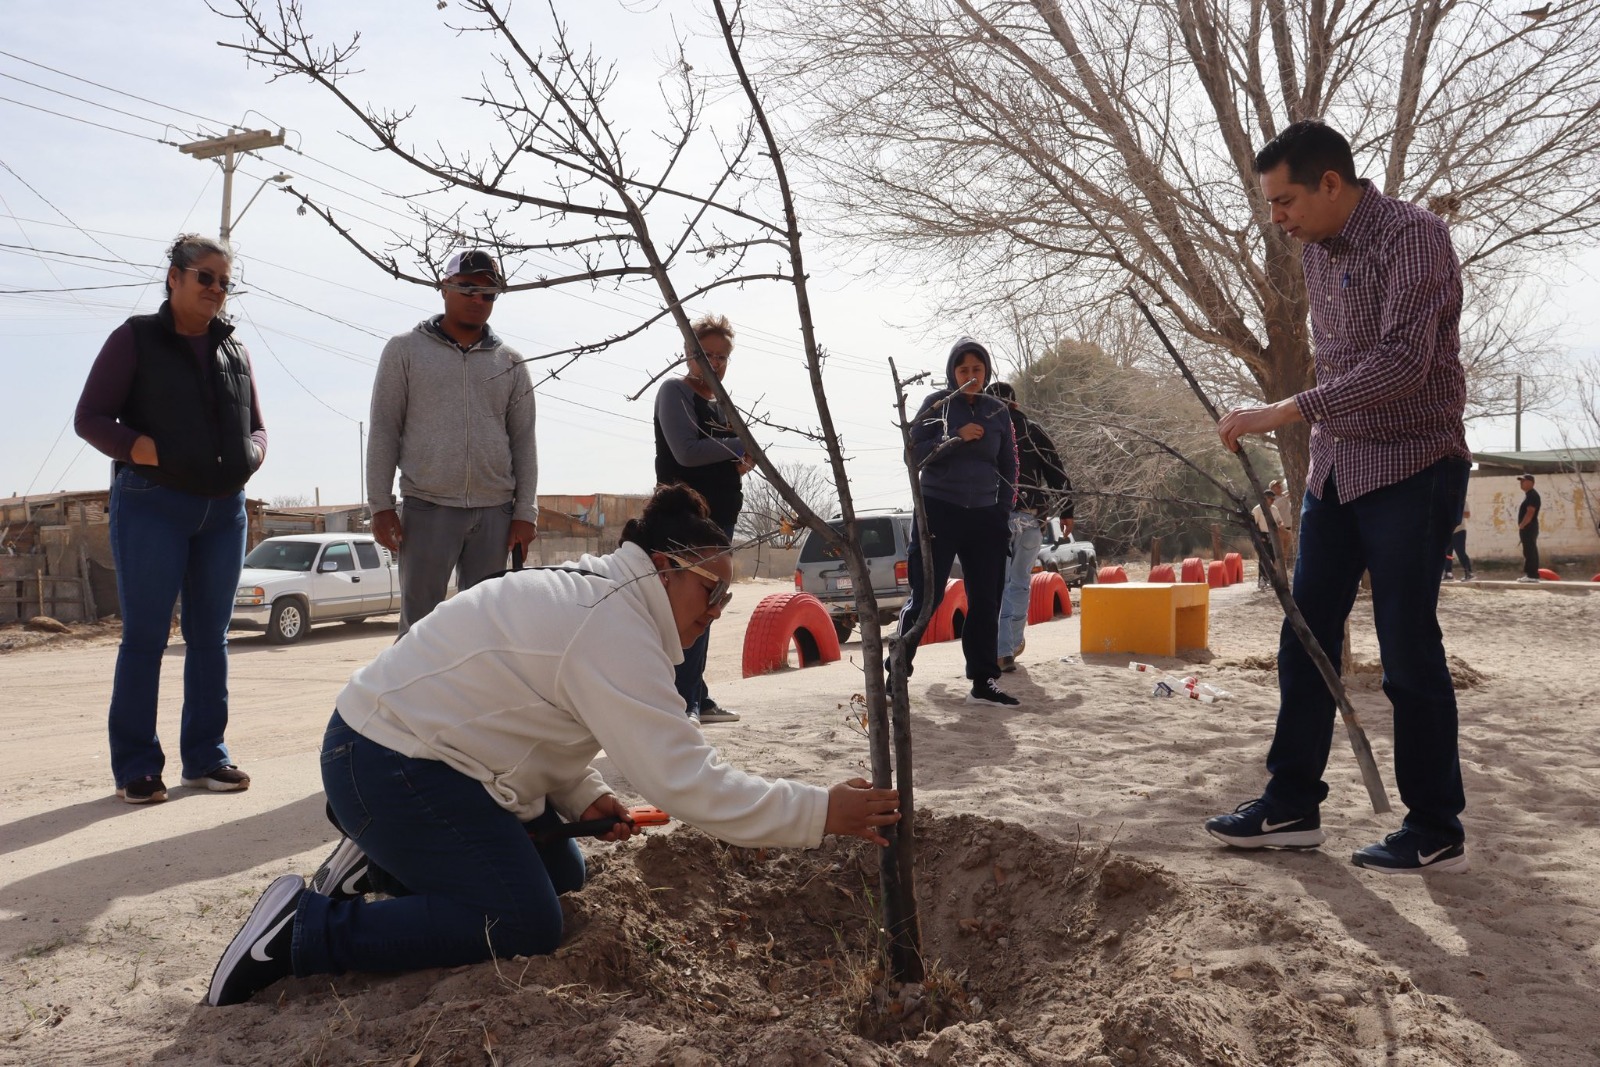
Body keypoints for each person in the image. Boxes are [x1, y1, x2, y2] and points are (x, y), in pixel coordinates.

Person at [204, 484, 900, 1007]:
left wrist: (581, 792)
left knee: (563, 873)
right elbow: (689, 781)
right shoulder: (615, 627)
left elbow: (532, 710)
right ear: (664, 566)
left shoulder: (612, 601)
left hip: (415, 756)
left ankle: (382, 860)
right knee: (521, 916)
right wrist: (820, 812)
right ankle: (304, 929)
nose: (716, 612)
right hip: (383, 759)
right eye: (712, 591)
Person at [1204, 121, 1472, 875]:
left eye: (1285, 199)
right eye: (1269, 204)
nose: (1276, 217)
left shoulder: (1415, 238)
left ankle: (1435, 825)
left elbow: (1402, 365)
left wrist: (1283, 411)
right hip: (1335, 472)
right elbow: (1341, 361)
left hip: (1413, 465)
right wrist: (1310, 435)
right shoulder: (1314, 254)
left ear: (1331, 182)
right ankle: (1291, 804)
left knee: (1406, 644)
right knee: (1306, 634)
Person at [73, 234, 267, 805]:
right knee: (146, 639)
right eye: (205, 277)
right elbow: (90, 418)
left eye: (225, 283)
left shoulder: (235, 350)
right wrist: (145, 451)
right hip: (152, 502)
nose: (216, 290)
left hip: (223, 511)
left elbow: (257, 424)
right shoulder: (134, 339)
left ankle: (206, 759)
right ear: (174, 278)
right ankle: (136, 766)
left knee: (210, 639)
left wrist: (253, 454)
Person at [366, 250, 538, 636]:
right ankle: (409, 698)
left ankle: (473, 699)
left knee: (484, 626)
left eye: (489, 293)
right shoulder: (404, 350)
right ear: (444, 287)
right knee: (419, 629)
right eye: (468, 288)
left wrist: (525, 512)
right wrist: (380, 505)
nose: (479, 299)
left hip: (496, 512)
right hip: (427, 508)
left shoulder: (510, 362)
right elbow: (383, 430)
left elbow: (524, 441)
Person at [891, 339, 1020, 706]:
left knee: (986, 600)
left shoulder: (998, 411)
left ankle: (983, 682)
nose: (970, 376)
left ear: (986, 372)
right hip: (938, 510)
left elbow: (1010, 464)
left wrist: (1003, 511)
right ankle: (896, 675)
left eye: (977, 369)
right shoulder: (937, 405)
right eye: (963, 370)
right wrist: (953, 438)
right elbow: (913, 455)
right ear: (952, 373)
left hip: (986, 516)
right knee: (926, 597)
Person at [653, 314, 753, 724]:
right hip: (686, 523)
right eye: (705, 355)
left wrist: (739, 459)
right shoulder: (674, 391)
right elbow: (687, 452)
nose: (715, 364)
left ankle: (699, 696)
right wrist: (739, 445)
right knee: (687, 609)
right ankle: (681, 703)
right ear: (688, 354)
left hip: (722, 519)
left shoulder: (721, 404)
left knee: (709, 608)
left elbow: (734, 455)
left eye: (722, 357)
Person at [987, 381, 1073, 672]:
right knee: (1020, 583)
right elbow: (1056, 470)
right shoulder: (1031, 429)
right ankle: (1009, 647)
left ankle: (999, 649)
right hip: (1028, 516)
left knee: (996, 585)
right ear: (1015, 404)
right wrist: (1068, 511)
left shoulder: (984, 430)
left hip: (995, 518)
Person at [1250, 488, 1292, 586]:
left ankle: (1275, 580)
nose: (1273, 501)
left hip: (1273, 535)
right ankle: (1263, 579)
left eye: (1273, 499)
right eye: (1271, 499)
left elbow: (1279, 520)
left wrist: (1281, 524)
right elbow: (1253, 524)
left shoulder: (1274, 509)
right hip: (1261, 535)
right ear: (1265, 498)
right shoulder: (1257, 509)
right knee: (1264, 557)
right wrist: (1259, 536)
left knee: (1275, 557)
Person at [1515, 474, 1541, 582]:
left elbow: (1530, 512)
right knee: (1528, 550)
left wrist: (1523, 524)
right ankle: (1530, 574)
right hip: (1528, 527)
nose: (1521, 483)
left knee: (1530, 550)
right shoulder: (1528, 495)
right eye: (1521, 481)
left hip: (1529, 527)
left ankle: (1532, 575)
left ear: (1531, 482)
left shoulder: (1532, 495)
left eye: (1523, 481)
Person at [1443, 504, 1474, 582]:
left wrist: (1455, 512)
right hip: (1448, 531)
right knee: (1447, 554)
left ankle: (1469, 573)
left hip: (1459, 530)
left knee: (1460, 552)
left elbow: (1467, 514)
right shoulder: (1445, 501)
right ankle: (1448, 574)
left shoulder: (1462, 501)